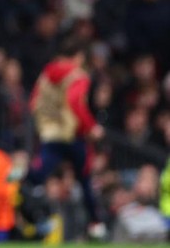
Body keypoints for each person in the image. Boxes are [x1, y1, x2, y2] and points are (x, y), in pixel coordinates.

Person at [27, 38, 106, 239]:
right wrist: (92, 127)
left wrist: (45, 124)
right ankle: (96, 224)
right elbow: (75, 103)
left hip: (50, 134)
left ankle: (31, 216)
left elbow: (34, 103)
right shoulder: (78, 75)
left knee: (37, 177)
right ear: (79, 56)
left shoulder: (45, 75)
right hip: (73, 136)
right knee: (85, 180)